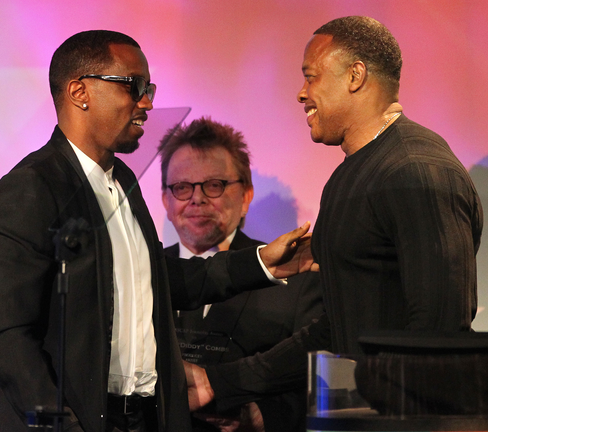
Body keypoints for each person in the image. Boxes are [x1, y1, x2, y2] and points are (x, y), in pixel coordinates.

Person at [0, 30, 315, 432]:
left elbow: (159, 280)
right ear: (80, 92)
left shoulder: (123, 182)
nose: (147, 102)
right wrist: (59, 423)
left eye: (148, 88)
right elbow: (8, 337)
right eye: (134, 86)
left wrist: (261, 263)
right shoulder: (30, 188)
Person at [184, 15, 484, 416]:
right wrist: (220, 383)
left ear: (355, 75)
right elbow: (337, 330)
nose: (301, 93)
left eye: (311, 77)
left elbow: (439, 339)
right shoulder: (349, 175)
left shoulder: (418, 171)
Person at [158, 117, 323, 431]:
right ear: (165, 200)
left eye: (214, 185)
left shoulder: (296, 276)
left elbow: (322, 388)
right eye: (181, 187)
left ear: (246, 195)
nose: (197, 198)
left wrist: (261, 416)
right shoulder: (142, 274)